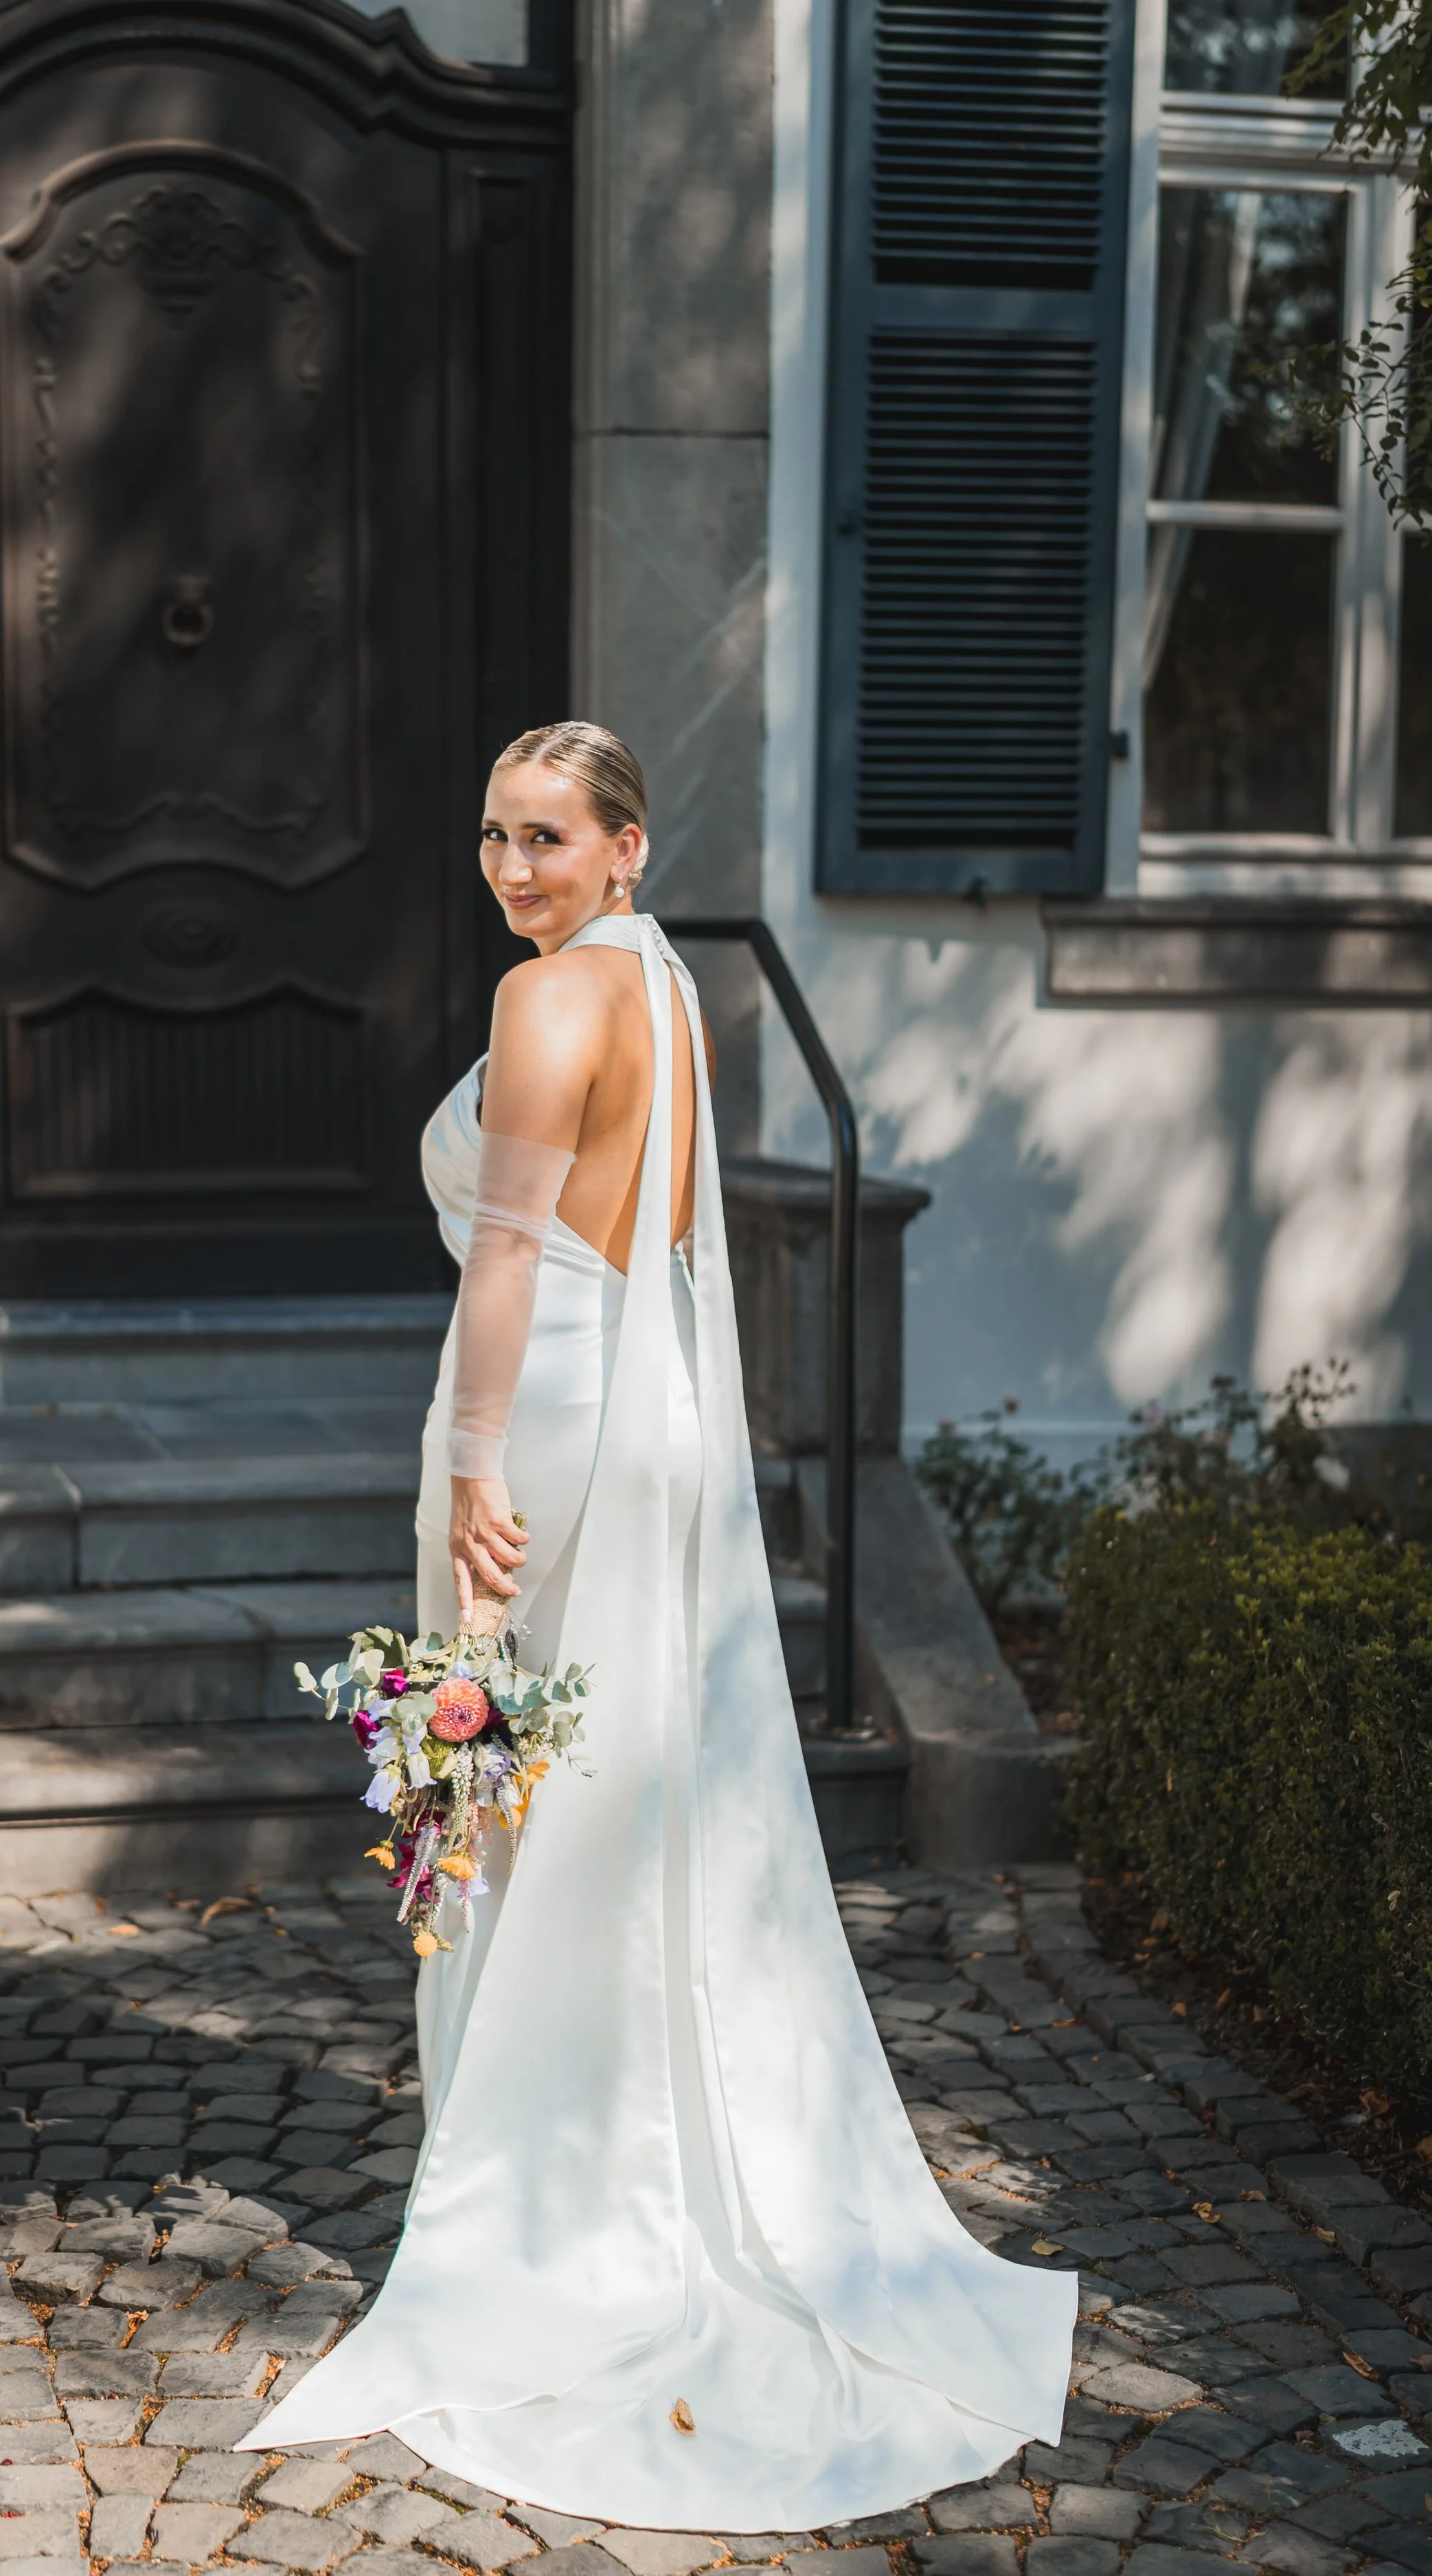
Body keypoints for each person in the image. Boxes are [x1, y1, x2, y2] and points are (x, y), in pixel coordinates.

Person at [239, 723, 1074, 2529]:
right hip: (642, 1409)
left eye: (545, 836)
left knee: (491, 1778)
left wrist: (470, 1467)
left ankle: (534, 2182)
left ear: (625, 845)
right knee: (590, 1779)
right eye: (488, 835)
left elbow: (514, 1254)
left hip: (538, 1411)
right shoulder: (654, 984)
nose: (510, 867)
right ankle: (576, 2143)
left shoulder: (551, 1006)